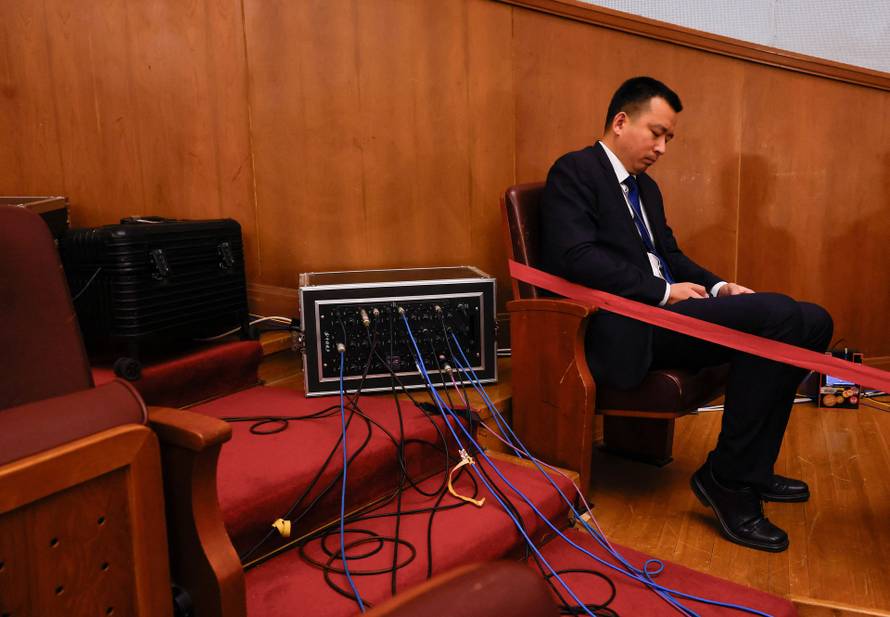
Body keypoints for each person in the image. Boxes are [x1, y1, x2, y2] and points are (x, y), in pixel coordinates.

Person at [539, 76, 833, 552]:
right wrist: (663, 292)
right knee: (778, 313)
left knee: (815, 320)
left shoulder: (646, 189)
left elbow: (670, 254)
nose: (662, 148)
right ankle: (727, 480)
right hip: (628, 327)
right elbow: (576, 257)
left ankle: (752, 469)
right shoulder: (574, 171)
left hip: (669, 316)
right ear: (621, 122)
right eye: (656, 133)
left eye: (669, 139)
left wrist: (718, 286)